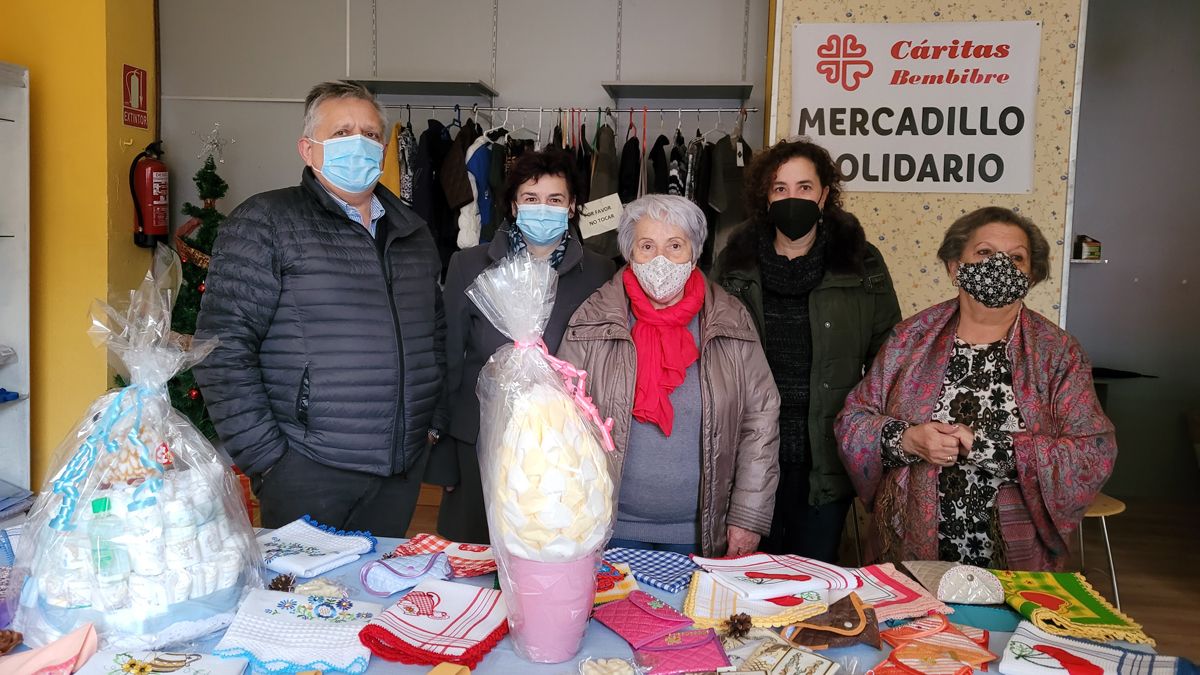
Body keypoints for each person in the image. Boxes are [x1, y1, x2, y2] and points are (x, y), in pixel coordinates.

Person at [194, 81, 445, 538]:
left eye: (371, 135)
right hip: (308, 469)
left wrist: (428, 429)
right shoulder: (267, 221)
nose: (361, 144)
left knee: (379, 597)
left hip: (401, 469)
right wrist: (269, 460)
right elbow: (222, 348)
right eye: (343, 132)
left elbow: (435, 338)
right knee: (306, 603)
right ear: (308, 150)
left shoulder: (415, 233)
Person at [836, 207, 1117, 570]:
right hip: (909, 545)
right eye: (985, 253)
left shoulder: (1058, 353)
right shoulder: (910, 338)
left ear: (1030, 276)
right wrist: (907, 439)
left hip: (1015, 555)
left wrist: (989, 449)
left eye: (1016, 258)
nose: (999, 265)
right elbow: (852, 421)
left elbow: (1092, 452)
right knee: (914, 627)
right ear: (955, 266)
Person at [557, 194, 780, 557]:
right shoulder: (594, 319)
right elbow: (561, 420)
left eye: (675, 246)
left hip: (701, 531)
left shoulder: (730, 318)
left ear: (695, 253)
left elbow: (761, 419)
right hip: (607, 525)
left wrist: (747, 515)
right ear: (629, 253)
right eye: (647, 246)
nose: (660, 259)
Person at [713, 139, 901, 563]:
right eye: (779, 188)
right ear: (765, 196)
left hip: (825, 454)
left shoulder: (861, 263)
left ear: (824, 194)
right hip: (749, 448)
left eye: (803, 187)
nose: (791, 197)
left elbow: (889, 357)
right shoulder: (734, 264)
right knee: (746, 575)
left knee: (811, 581)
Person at [426, 149, 615, 544]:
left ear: (573, 207)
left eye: (555, 200)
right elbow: (448, 361)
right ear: (513, 205)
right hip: (478, 437)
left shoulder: (600, 271)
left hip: (563, 445)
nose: (542, 209)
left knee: (547, 549)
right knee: (476, 553)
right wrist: (443, 460)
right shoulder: (469, 265)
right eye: (531, 199)